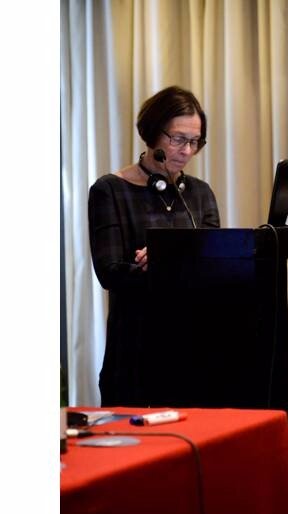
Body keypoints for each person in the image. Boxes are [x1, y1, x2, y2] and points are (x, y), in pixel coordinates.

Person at [88, 86, 220, 406]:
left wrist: (166, 258)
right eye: (178, 139)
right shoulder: (110, 190)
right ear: (152, 132)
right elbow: (109, 273)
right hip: (134, 354)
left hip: (192, 352)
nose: (186, 151)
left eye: (195, 142)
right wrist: (172, 263)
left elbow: (215, 265)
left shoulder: (200, 194)